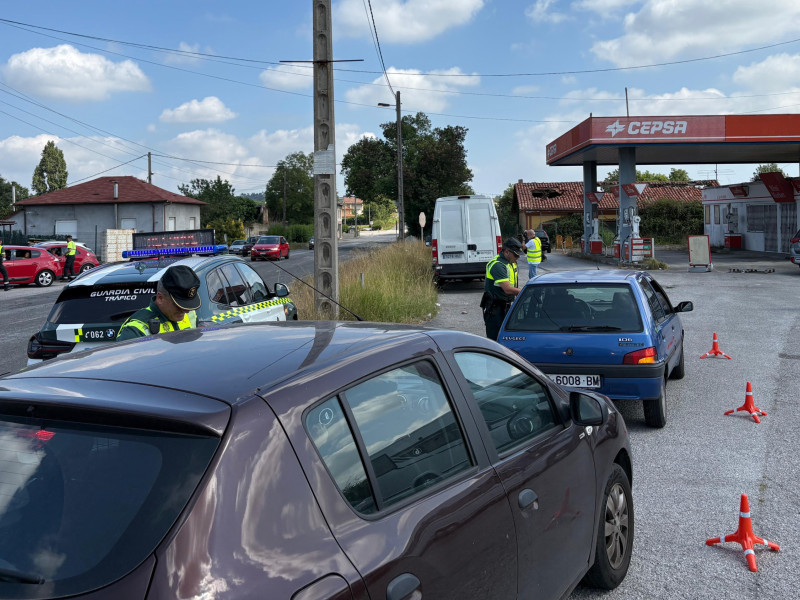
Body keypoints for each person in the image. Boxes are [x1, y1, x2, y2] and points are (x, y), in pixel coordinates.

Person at [117, 265, 201, 341]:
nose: (186, 311)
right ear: (160, 298)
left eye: (187, 305)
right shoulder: (135, 330)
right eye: (178, 305)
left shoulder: (190, 314)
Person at [481, 237, 523, 341]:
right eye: (516, 255)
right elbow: (507, 289)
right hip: (495, 309)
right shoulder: (498, 265)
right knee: (495, 340)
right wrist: (524, 292)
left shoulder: (511, 263)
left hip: (506, 305)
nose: (518, 257)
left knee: (507, 339)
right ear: (507, 252)